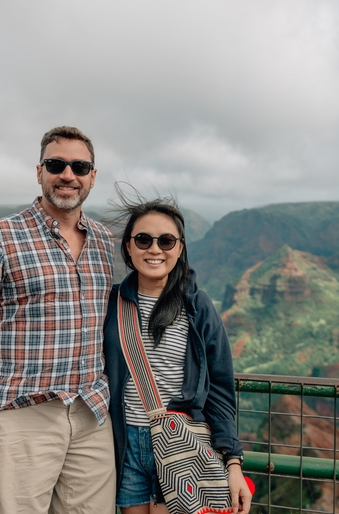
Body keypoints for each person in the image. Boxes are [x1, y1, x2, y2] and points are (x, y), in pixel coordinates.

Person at [0, 126, 116, 513]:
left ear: (93, 176)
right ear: (39, 171)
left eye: (79, 166)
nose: (67, 175)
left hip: (91, 414)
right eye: (56, 164)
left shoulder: (104, 240)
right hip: (21, 416)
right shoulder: (0, 237)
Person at [103, 190, 252, 514]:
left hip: (180, 444)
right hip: (126, 444)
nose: (154, 249)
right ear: (128, 246)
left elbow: (221, 390)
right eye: (143, 240)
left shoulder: (197, 307)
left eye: (166, 241)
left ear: (180, 248)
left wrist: (233, 462)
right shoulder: (112, 304)